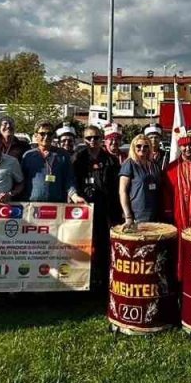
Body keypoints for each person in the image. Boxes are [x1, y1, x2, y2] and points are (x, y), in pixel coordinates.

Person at [73, 123, 120, 291]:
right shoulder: (77, 160)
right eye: (89, 138)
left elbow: (116, 190)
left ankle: (103, 283)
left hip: (105, 210)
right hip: (83, 211)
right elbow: (73, 185)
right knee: (83, 247)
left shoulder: (111, 161)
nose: (92, 141)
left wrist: (117, 215)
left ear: (102, 139)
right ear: (83, 140)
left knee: (104, 247)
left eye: (96, 137)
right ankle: (84, 283)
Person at [22, 120, 84, 204]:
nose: (46, 137)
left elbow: (69, 180)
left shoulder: (62, 155)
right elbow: (21, 181)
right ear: (36, 135)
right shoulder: (28, 156)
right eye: (42, 134)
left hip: (57, 206)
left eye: (49, 134)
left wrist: (74, 196)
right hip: (32, 205)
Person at [118, 133, 163, 224]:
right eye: (139, 146)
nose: (142, 149)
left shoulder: (154, 165)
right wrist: (128, 216)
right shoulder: (129, 164)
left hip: (155, 214)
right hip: (137, 215)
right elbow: (122, 191)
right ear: (133, 147)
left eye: (146, 146)